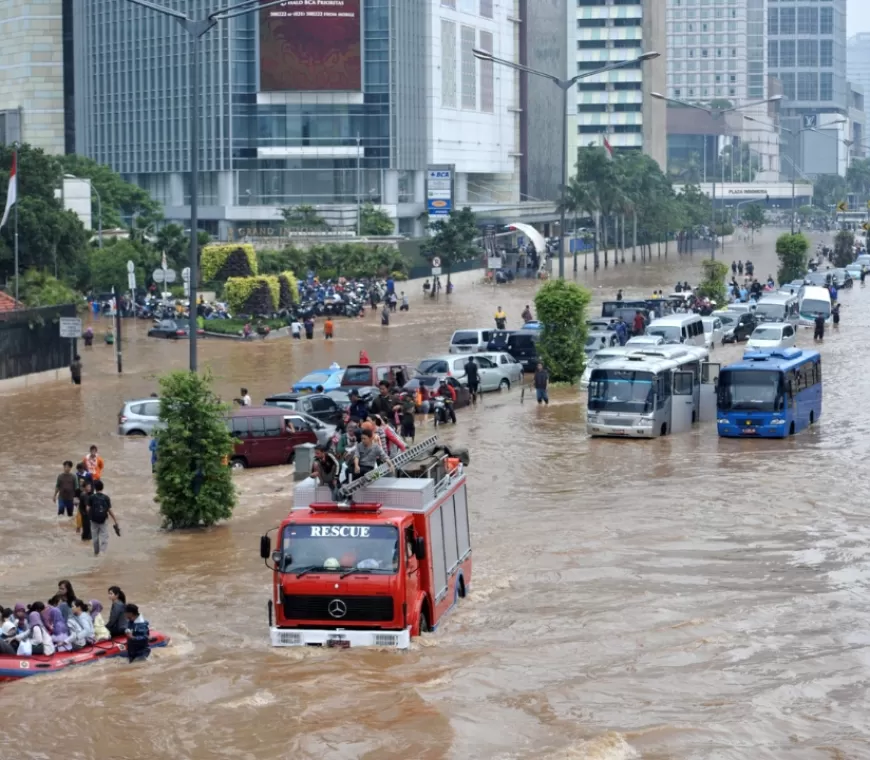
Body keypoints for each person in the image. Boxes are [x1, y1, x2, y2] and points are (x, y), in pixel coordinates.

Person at [88, 480, 120, 557]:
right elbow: (109, 510)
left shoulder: (91, 497)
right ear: (102, 488)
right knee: (104, 538)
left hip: (94, 521)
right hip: (103, 520)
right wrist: (115, 520)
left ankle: (96, 554)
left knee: (95, 539)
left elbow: (88, 509)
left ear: (95, 488)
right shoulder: (106, 498)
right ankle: (102, 553)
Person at [78, 479, 93, 543]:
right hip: (86, 516)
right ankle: (86, 546)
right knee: (88, 533)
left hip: (83, 516)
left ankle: (83, 544)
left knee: (85, 532)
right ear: (84, 487)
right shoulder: (85, 496)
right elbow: (87, 508)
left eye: (90, 486)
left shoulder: (82, 494)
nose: (90, 488)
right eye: (88, 487)